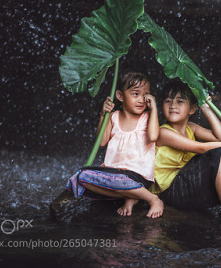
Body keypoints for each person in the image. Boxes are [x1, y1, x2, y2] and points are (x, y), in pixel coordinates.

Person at [151, 80, 221, 233]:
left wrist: (206, 108)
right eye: (168, 101)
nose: (173, 105)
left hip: (188, 184)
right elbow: (200, 148)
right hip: (171, 192)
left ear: (192, 109)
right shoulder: (164, 133)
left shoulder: (191, 128)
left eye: (180, 101)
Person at [66, 72, 164, 218]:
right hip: (114, 173)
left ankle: (152, 198)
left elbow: (153, 136)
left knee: (123, 181)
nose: (142, 100)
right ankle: (129, 196)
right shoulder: (113, 117)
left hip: (137, 175)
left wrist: (154, 108)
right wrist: (103, 115)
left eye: (146, 95)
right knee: (81, 177)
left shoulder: (147, 117)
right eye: (135, 94)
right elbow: (102, 141)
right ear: (120, 96)